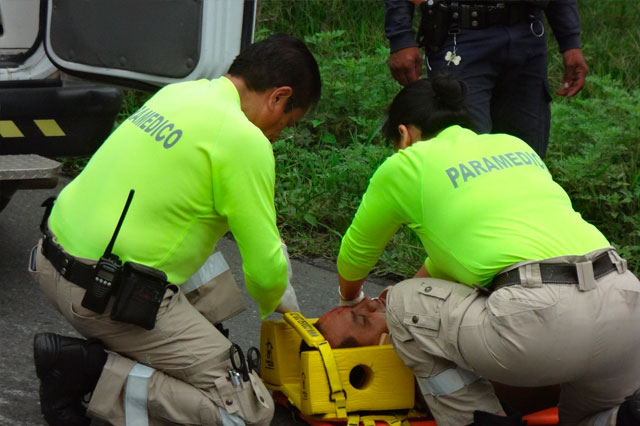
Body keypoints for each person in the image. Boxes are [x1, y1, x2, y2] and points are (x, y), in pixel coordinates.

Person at [29, 33, 321, 426]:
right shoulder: (244, 140)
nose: (279, 133)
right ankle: (88, 374)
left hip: (50, 258)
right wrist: (290, 320)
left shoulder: (179, 94)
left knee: (204, 247)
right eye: (288, 120)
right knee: (248, 411)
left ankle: (194, 343)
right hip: (100, 295)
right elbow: (267, 273)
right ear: (279, 96)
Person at [329, 75, 640, 426]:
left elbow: (355, 255)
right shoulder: (513, 145)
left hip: (543, 319)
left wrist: (351, 300)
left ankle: (483, 420)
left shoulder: (407, 163)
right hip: (625, 303)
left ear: (404, 135)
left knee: (403, 302)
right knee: (598, 419)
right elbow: (476, 254)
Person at [384, 0, 589, 158]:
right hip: (459, 32)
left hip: (526, 33)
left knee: (526, 155)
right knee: (464, 152)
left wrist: (571, 42)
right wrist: (400, 37)